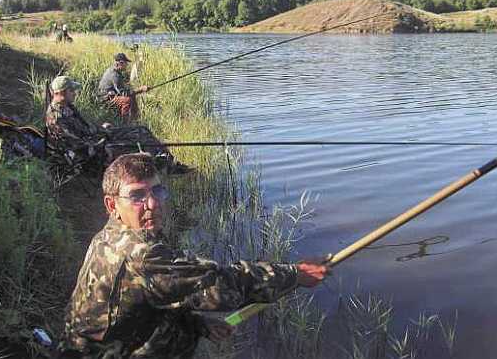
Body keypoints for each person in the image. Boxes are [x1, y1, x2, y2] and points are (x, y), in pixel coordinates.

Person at [56, 153, 329, 358]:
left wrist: (197, 324)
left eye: (158, 191)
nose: (152, 204)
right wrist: (295, 274)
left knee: (184, 327)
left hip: (83, 346)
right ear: (112, 204)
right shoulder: (141, 254)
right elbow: (221, 284)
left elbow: (154, 295)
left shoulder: (109, 234)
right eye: (137, 196)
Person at [46, 76, 190, 174]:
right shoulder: (57, 117)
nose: (75, 93)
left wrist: (101, 128)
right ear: (62, 93)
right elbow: (77, 144)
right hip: (94, 149)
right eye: (72, 91)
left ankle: (169, 162)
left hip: (97, 136)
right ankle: (164, 165)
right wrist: (102, 140)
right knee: (136, 143)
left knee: (141, 130)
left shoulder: (67, 106)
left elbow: (84, 128)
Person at [98, 53, 151, 119]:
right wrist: (141, 89)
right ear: (121, 63)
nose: (127, 65)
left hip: (111, 94)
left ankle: (135, 118)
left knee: (132, 95)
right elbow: (124, 93)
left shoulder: (116, 71)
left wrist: (136, 90)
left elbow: (122, 89)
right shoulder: (114, 74)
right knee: (127, 100)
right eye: (126, 63)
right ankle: (125, 122)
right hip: (105, 98)